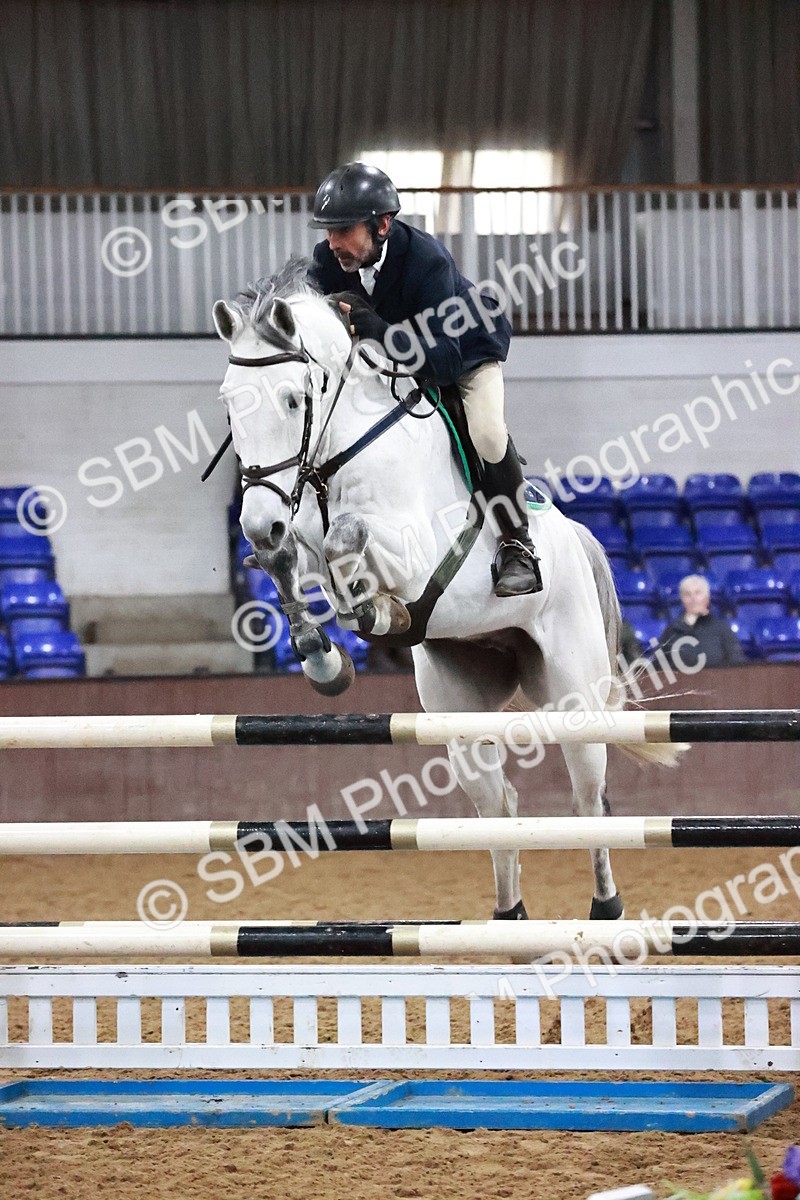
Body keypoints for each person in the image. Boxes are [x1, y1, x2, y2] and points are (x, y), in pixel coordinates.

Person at [307, 161, 542, 598]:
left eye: (343, 230)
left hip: (464, 354)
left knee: (487, 433)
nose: (333, 242)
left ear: (382, 224)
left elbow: (445, 364)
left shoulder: (426, 261)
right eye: (328, 231)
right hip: (393, 361)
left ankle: (517, 545)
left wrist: (380, 331)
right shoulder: (327, 261)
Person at [658, 575, 745, 670]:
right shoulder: (670, 632)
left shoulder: (722, 629)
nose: (693, 598)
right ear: (682, 599)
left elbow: (737, 665)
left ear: (707, 598)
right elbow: (657, 668)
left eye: (697, 593)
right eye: (687, 594)